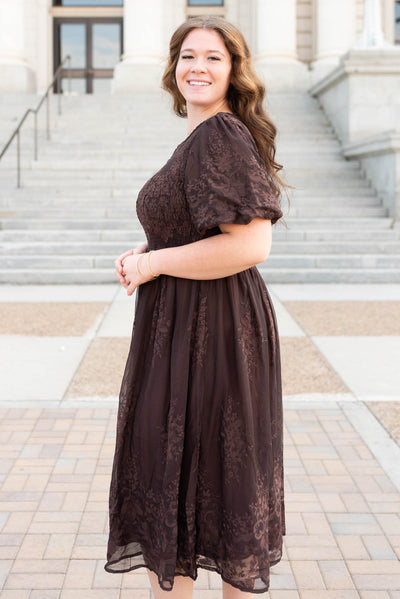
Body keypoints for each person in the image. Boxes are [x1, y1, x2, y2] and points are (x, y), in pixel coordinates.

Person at [105, 15, 287, 599]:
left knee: (210, 477)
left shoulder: (220, 135)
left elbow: (251, 243)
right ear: (173, 68)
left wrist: (154, 264)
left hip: (214, 331)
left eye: (213, 57)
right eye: (188, 56)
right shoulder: (205, 136)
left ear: (234, 70)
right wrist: (152, 246)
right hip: (189, 325)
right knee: (190, 477)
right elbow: (200, 225)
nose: (198, 67)